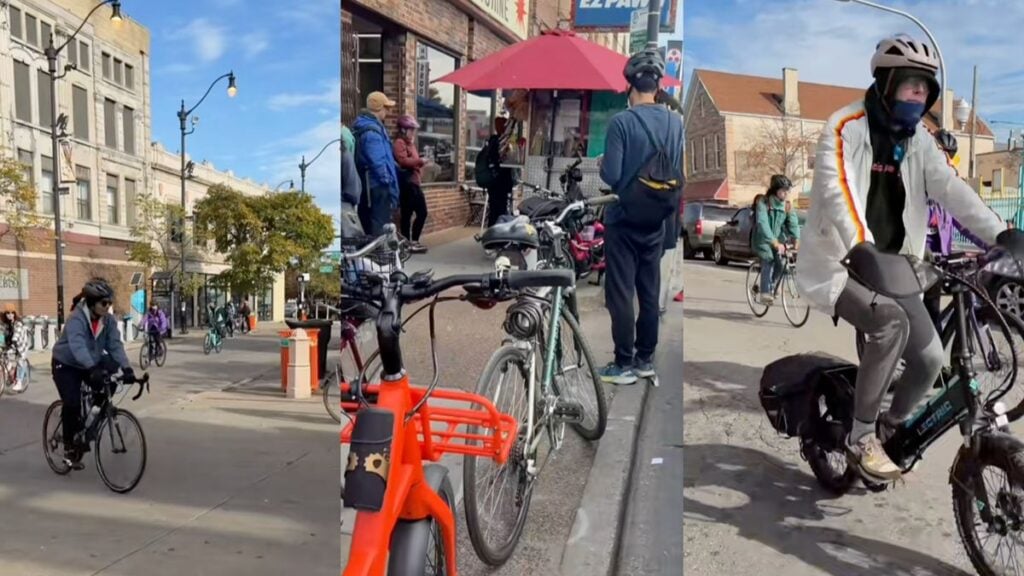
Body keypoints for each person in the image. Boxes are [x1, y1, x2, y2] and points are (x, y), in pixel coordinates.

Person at [795, 33, 1006, 482]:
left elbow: (952, 190)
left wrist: (1001, 233)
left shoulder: (920, 140)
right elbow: (839, 192)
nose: (920, 96)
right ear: (888, 82)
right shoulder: (844, 126)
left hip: (897, 267)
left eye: (925, 89)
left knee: (930, 361)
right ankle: (861, 436)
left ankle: (889, 431)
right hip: (842, 260)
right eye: (912, 86)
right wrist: (860, 244)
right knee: (889, 324)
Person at [597, 49, 684, 385]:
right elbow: (675, 169)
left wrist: (606, 160)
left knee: (620, 294)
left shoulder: (622, 122)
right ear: (658, 86)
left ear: (631, 87)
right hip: (657, 221)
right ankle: (645, 359)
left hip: (623, 218)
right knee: (649, 292)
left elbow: (612, 175)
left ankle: (622, 365)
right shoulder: (675, 124)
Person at [51, 278, 134, 470]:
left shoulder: (109, 320)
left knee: (111, 381)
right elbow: (78, 346)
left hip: (90, 362)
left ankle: (90, 422)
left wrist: (127, 368)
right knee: (71, 402)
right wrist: (91, 367)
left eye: (109, 303)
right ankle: (69, 445)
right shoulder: (77, 318)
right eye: (104, 303)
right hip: (66, 363)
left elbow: (115, 345)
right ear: (91, 302)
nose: (107, 307)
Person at [353, 91, 399, 236]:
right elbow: (378, 162)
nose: (387, 111)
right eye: (386, 107)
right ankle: (377, 256)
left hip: (371, 186)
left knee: (375, 224)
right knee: (379, 227)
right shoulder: (372, 132)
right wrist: (388, 183)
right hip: (376, 187)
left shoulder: (368, 127)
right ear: (379, 108)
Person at [752, 175, 801, 305]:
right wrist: (773, 241)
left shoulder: (787, 206)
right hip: (762, 238)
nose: (785, 194)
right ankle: (764, 293)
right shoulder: (763, 202)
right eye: (783, 190)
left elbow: (793, 223)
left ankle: (773, 284)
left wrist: (796, 239)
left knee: (781, 261)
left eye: (787, 191)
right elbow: (762, 223)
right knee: (769, 259)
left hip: (778, 239)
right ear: (775, 190)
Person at [392, 115, 429, 253]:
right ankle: (408, 243)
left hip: (414, 182)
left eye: (414, 130)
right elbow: (403, 162)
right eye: (411, 130)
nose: (413, 132)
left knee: (420, 213)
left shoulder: (411, 144)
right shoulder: (399, 143)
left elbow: (413, 160)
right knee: (409, 214)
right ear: (403, 130)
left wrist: (419, 163)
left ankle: (412, 241)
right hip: (407, 184)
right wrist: (420, 162)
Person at [483, 117, 517, 227]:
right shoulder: (501, 142)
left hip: (493, 183)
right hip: (500, 183)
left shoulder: (492, 141)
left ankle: (493, 233)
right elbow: (504, 161)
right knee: (499, 210)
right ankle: (497, 234)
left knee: (494, 209)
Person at [1, 303, 29, 392]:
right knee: (5, 356)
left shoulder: (18, 323)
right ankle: (9, 370)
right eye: (7, 313)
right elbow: (2, 333)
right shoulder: (6, 324)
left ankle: (19, 382)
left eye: (12, 313)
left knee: (20, 361)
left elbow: (17, 334)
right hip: (12, 345)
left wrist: (14, 341)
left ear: (14, 313)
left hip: (21, 344)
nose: (10, 315)